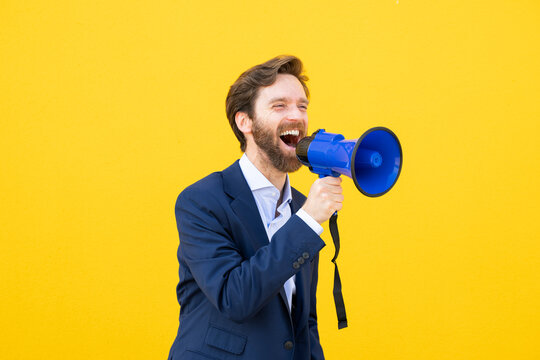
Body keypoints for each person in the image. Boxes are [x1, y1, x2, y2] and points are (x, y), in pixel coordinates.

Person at [168, 55, 344, 360]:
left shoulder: (302, 206)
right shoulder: (201, 201)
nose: (297, 116)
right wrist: (307, 221)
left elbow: (304, 319)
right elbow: (234, 297)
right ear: (244, 121)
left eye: (302, 106)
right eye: (280, 106)